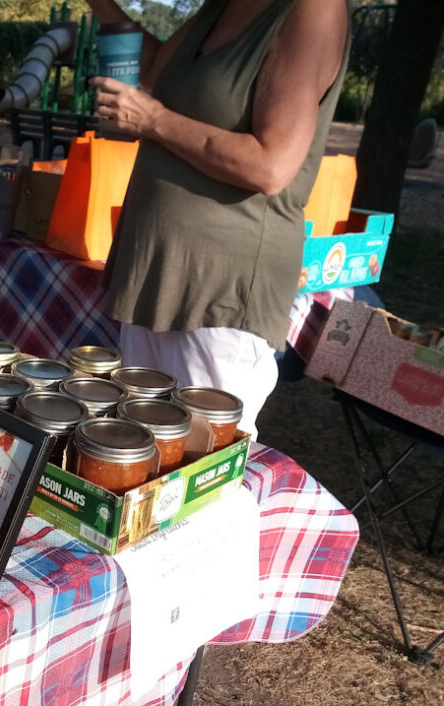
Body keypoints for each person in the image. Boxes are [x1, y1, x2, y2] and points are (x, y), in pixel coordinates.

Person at [86, 0, 350, 435]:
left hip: (220, 290)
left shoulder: (312, 10)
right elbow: (157, 69)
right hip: (155, 273)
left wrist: (154, 121)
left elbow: (271, 166)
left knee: (200, 472)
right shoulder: (221, 7)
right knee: (145, 453)